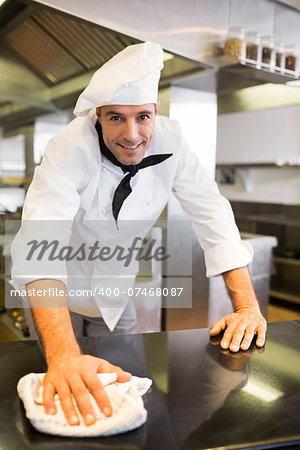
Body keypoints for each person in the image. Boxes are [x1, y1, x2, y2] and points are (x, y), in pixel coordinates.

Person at [10, 42, 266, 427]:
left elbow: (212, 214)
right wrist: (63, 353)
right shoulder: (68, 148)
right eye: (116, 118)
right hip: (56, 298)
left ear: (156, 112)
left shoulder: (173, 141)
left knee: (131, 398)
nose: (131, 134)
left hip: (118, 297)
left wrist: (246, 306)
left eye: (142, 117)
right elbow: (38, 244)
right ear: (98, 115)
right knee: (64, 400)